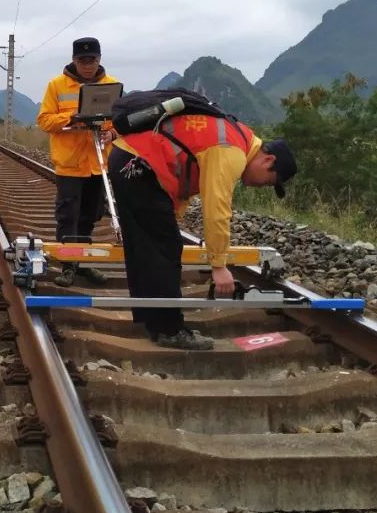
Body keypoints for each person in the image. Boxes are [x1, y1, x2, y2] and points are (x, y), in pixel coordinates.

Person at [108, 107, 296, 349]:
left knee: (147, 246)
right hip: (140, 165)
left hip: (131, 160)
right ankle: (168, 329)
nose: (262, 186)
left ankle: (153, 319)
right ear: (268, 160)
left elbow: (183, 173)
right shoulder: (232, 151)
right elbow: (217, 210)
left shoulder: (235, 135)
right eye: (269, 181)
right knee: (164, 249)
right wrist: (219, 266)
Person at [36, 37, 119, 286]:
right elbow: (44, 120)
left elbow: (119, 121)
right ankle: (69, 265)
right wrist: (71, 119)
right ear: (74, 60)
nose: (87, 65)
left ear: (99, 59)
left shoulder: (112, 85)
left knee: (89, 216)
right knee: (68, 215)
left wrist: (112, 133)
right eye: (82, 60)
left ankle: (81, 264)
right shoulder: (57, 85)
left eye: (91, 59)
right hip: (70, 164)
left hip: (97, 163)